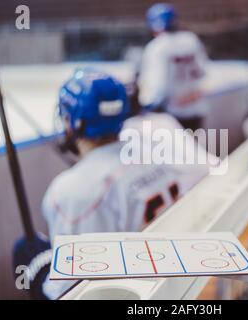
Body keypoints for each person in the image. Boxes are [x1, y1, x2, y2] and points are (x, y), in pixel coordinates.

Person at [41, 68, 211, 299]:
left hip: (136, 294)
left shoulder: (70, 192)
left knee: (26, 252)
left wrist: (39, 276)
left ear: (73, 121)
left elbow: (69, 288)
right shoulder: (154, 155)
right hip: (174, 282)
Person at [138, 3, 209, 131]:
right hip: (196, 108)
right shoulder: (191, 39)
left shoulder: (157, 47)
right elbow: (204, 73)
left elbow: (157, 87)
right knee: (192, 149)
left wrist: (147, 107)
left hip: (171, 114)